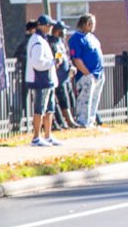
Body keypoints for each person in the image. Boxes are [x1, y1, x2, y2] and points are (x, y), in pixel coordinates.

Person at [25, 15, 60, 146]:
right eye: (49, 25)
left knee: (49, 108)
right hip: (40, 79)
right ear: (42, 26)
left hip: (47, 79)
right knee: (40, 109)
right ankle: (36, 137)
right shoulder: (37, 41)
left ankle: (48, 135)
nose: (50, 28)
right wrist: (52, 62)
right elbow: (37, 62)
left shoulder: (42, 40)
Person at [68, 13, 105, 128]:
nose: (93, 26)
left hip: (98, 73)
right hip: (87, 75)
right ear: (85, 24)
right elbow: (76, 58)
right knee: (85, 99)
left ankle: (91, 121)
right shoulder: (76, 38)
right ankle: (83, 121)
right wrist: (87, 73)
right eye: (91, 23)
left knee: (95, 98)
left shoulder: (92, 37)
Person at [49, 21, 78, 130]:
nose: (65, 32)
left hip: (66, 76)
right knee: (62, 99)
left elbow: (66, 55)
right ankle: (67, 121)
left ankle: (71, 120)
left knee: (69, 99)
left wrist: (71, 66)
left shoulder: (61, 42)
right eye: (63, 30)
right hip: (59, 77)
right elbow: (57, 57)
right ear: (57, 31)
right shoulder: (52, 43)